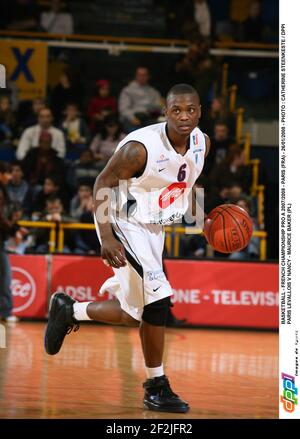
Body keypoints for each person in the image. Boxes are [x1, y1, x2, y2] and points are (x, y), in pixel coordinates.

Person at [44, 83, 211, 413]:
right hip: (121, 219)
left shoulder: (201, 142)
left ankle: (69, 311)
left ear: (199, 112)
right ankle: (156, 387)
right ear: (165, 112)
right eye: (176, 110)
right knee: (159, 301)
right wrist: (106, 237)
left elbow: (186, 184)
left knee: (134, 313)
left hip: (153, 225)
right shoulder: (140, 147)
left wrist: (202, 220)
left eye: (190, 110)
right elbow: (102, 183)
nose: (184, 116)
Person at [119, 67, 162, 133]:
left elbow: (158, 106)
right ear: (136, 76)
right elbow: (123, 108)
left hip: (148, 118)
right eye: (139, 75)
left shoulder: (153, 91)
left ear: (148, 76)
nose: (142, 77)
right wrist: (132, 118)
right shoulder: (127, 90)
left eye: (144, 75)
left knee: (159, 129)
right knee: (137, 134)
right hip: (132, 118)